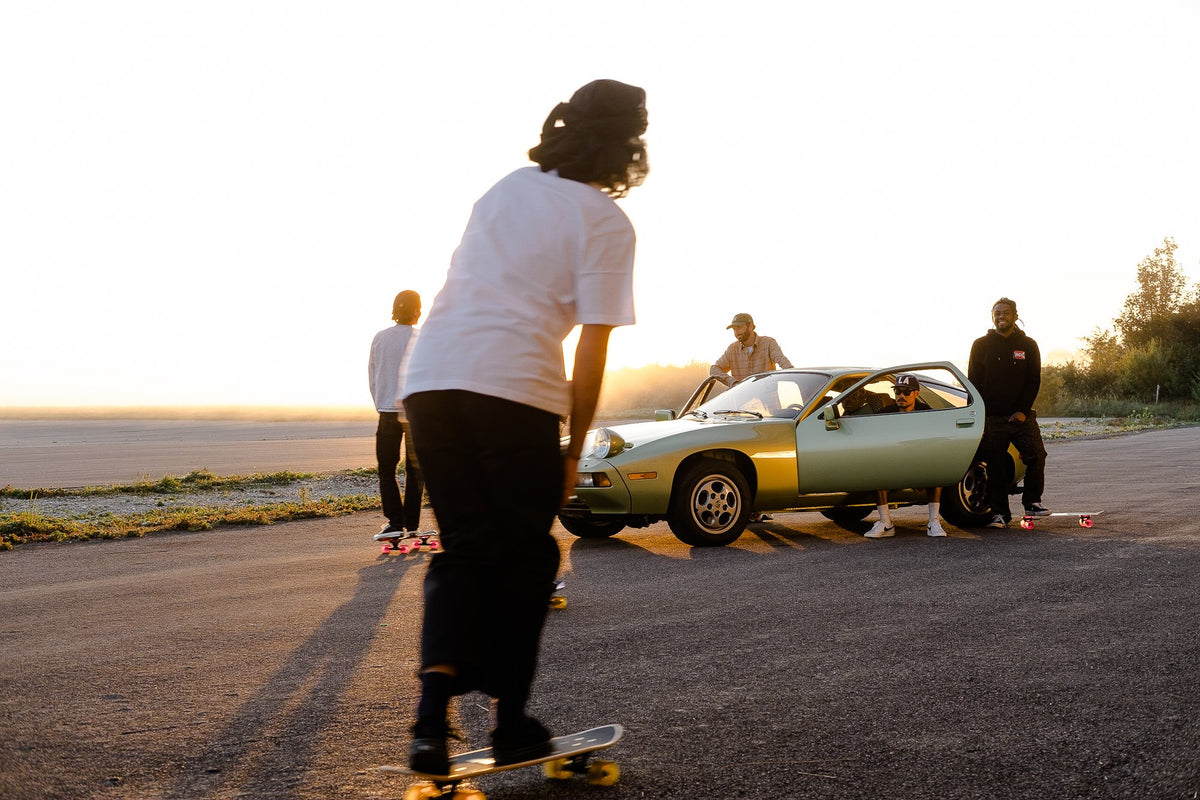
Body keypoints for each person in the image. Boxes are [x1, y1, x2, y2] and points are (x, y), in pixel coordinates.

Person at [400, 79, 648, 774]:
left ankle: (429, 724)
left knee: (469, 549)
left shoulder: (506, 187)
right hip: (511, 389)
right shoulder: (604, 219)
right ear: (627, 145)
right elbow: (592, 344)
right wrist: (575, 443)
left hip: (429, 380)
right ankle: (511, 724)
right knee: (528, 558)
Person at [967, 297, 1050, 528]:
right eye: (997, 313)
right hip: (993, 418)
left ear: (1015, 315)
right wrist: (978, 416)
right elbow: (973, 382)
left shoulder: (1028, 345)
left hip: (1022, 418)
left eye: (1005, 313)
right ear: (992, 316)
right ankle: (1000, 515)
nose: (1001, 317)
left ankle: (1032, 502)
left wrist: (1022, 411)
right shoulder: (981, 344)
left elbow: (1033, 381)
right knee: (996, 466)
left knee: (1037, 455)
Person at [368, 290, 427, 538]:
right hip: (416, 413)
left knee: (387, 468)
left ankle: (395, 521)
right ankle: (412, 524)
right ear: (417, 310)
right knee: (415, 470)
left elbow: (373, 375)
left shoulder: (380, 338)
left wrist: (380, 402)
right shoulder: (423, 338)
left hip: (387, 412)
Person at [864, 374, 948, 538]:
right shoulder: (885, 413)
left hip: (919, 463)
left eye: (906, 392)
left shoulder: (926, 412)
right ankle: (886, 523)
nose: (901, 396)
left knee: (938, 469)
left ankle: (934, 522)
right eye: (898, 392)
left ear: (916, 393)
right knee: (876, 470)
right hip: (894, 465)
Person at [709, 313, 793, 386]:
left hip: (768, 400)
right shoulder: (732, 349)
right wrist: (733, 383)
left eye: (739, 327)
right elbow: (714, 369)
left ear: (751, 326)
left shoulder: (768, 343)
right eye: (734, 329)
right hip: (742, 401)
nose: (736, 332)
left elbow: (785, 365)